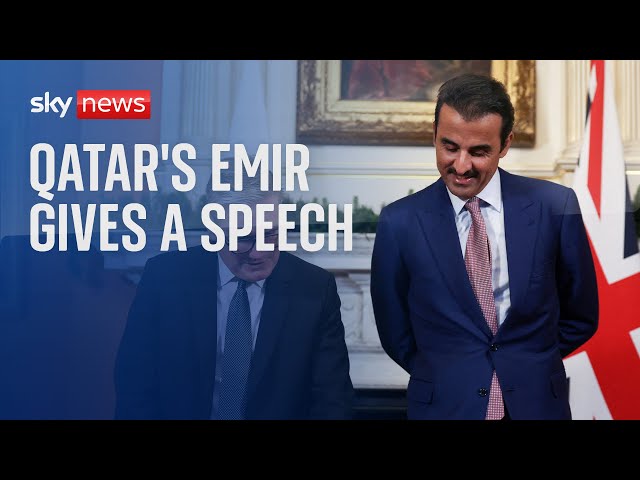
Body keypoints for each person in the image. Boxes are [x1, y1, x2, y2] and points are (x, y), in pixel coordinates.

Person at [370, 73, 599, 420]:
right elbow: (394, 330)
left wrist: (528, 360)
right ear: (434, 135)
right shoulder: (399, 221)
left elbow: (581, 316)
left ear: (505, 145)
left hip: (536, 405)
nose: (461, 165)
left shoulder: (555, 206)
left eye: (478, 152)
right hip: (444, 407)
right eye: (450, 147)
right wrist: (451, 371)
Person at [114, 163, 353, 419]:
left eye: (270, 234)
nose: (259, 252)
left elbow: (332, 399)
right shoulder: (164, 278)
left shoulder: (315, 289)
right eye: (243, 238)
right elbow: (135, 385)